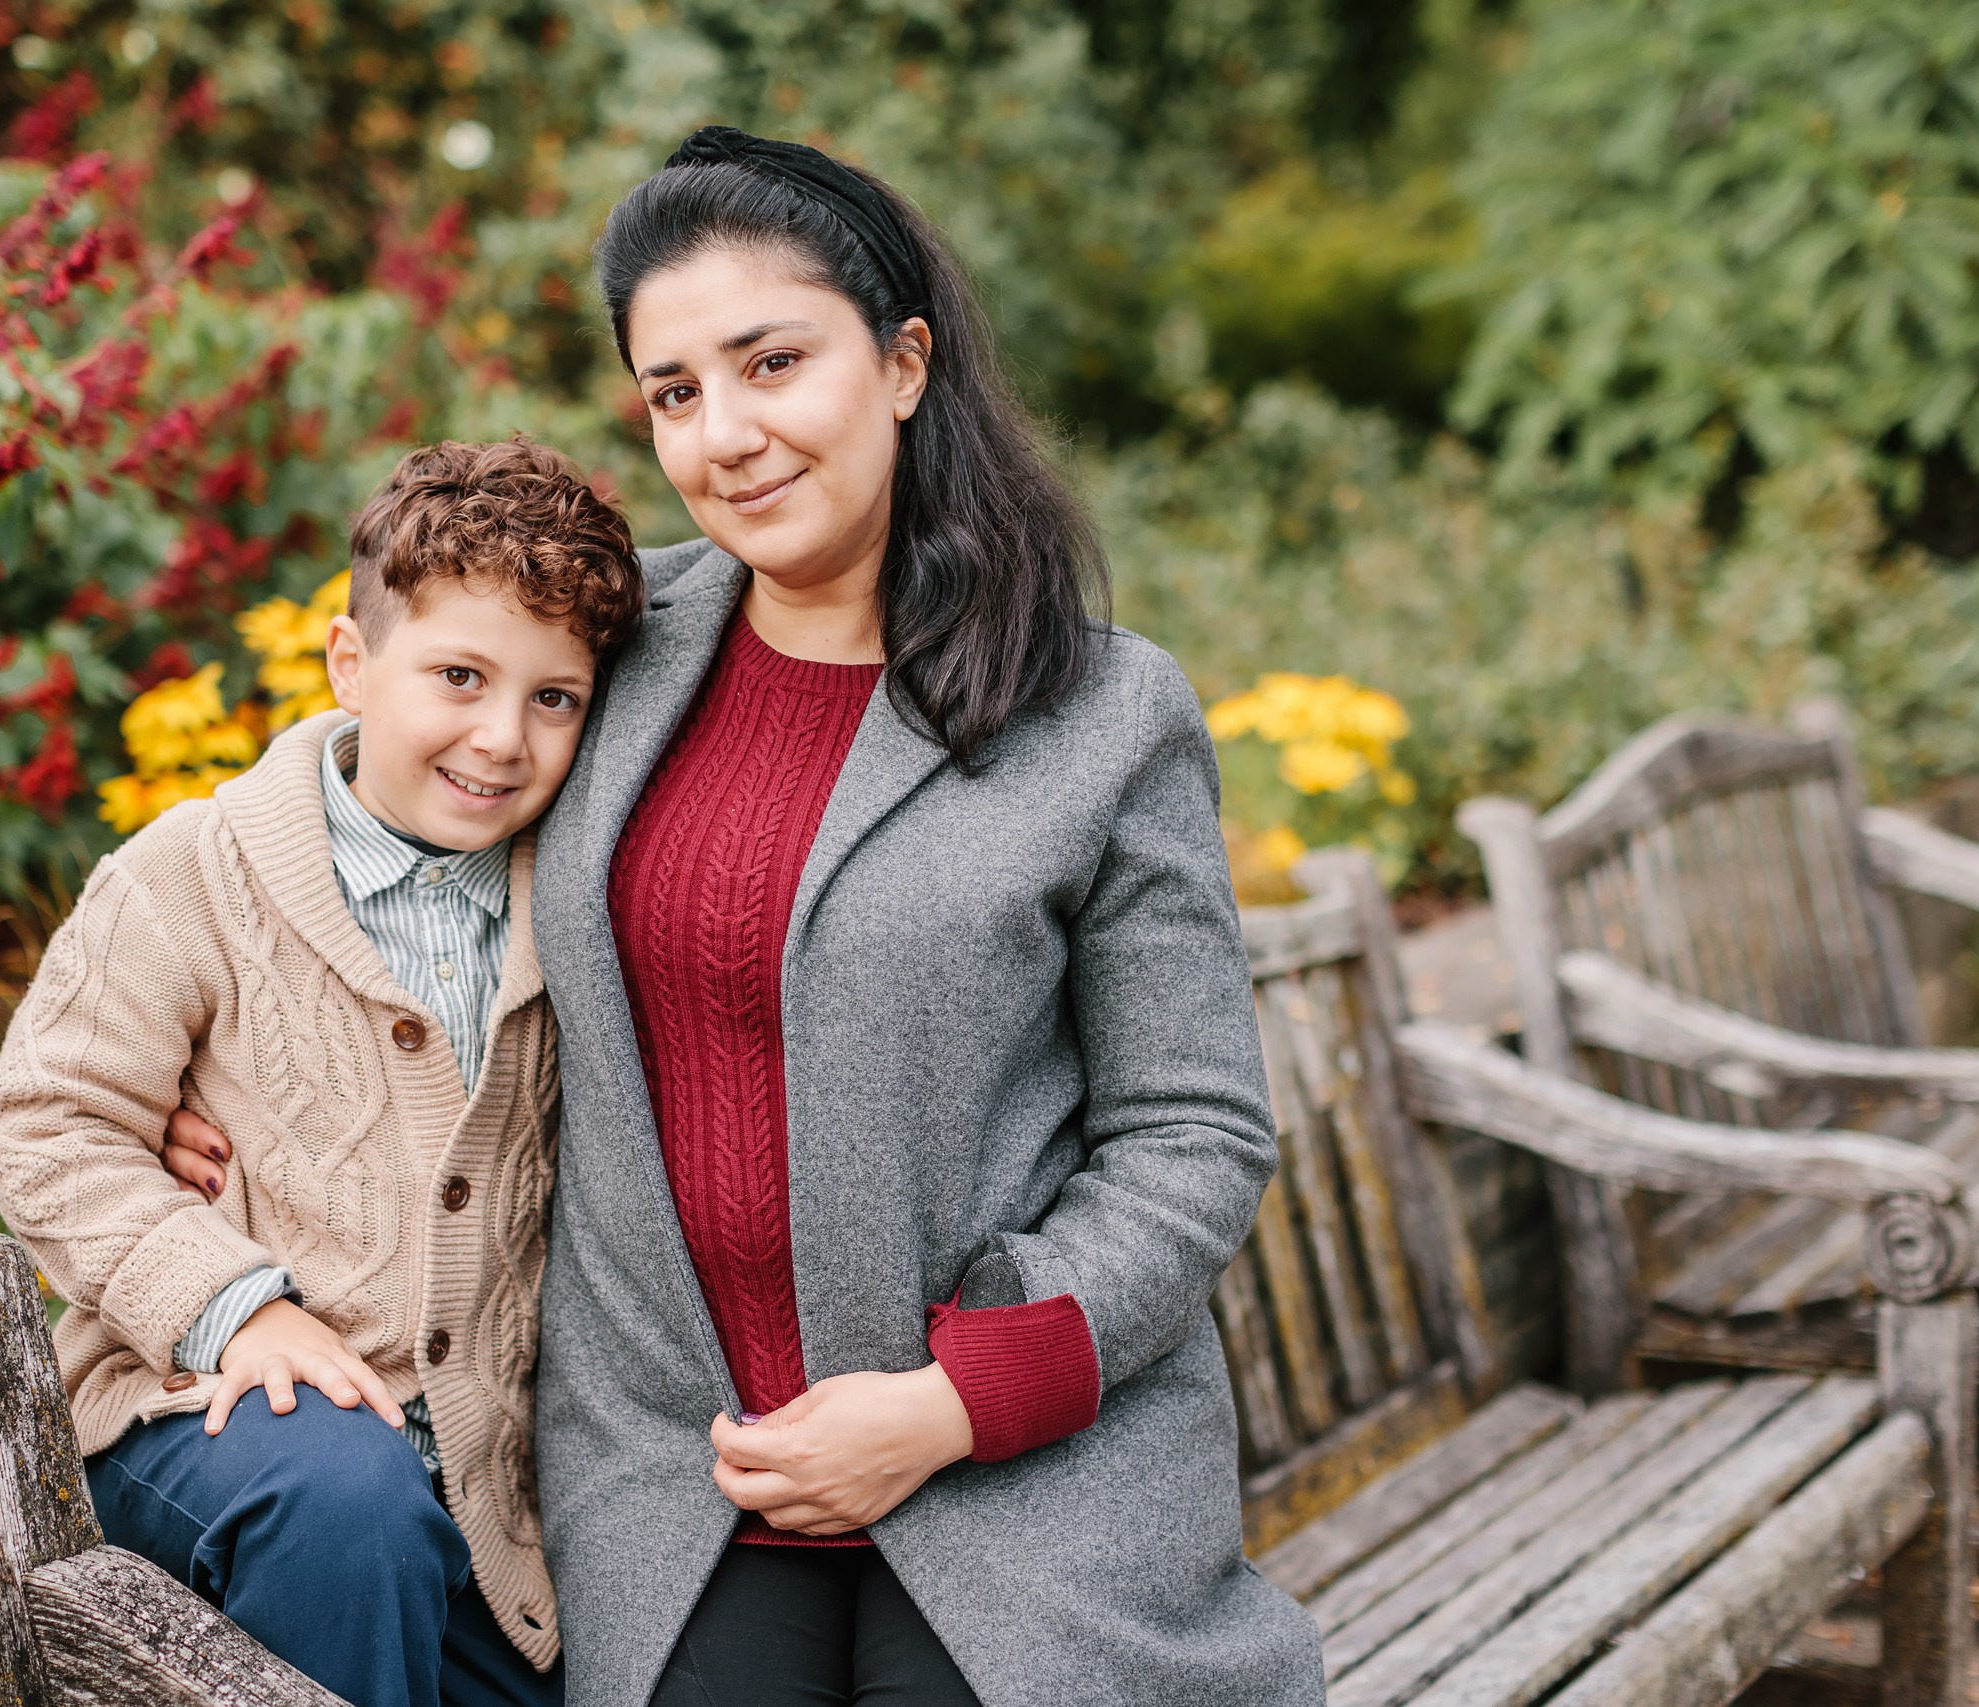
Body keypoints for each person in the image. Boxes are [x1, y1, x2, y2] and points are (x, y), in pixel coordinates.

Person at [167, 129, 1325, 1705]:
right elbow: (374, 798)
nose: (727, 435)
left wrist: (956, 1398)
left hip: (1006, 1462)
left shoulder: (1103, 713)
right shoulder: (610, 650)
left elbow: (1192, 1128)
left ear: (905, 361)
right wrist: (225, 1065)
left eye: (771, 362)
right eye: (674, 392)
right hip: (679, 1465)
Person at [0, 438, 642, 1707]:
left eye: (554, 699)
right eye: (459, 676)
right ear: (351, 663)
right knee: (350, 1506)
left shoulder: (580, 894)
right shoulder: (194, 875)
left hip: (486, 1475)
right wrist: (233, 1303)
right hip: (208, 1425)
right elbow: (49, 1126)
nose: (502, 737)